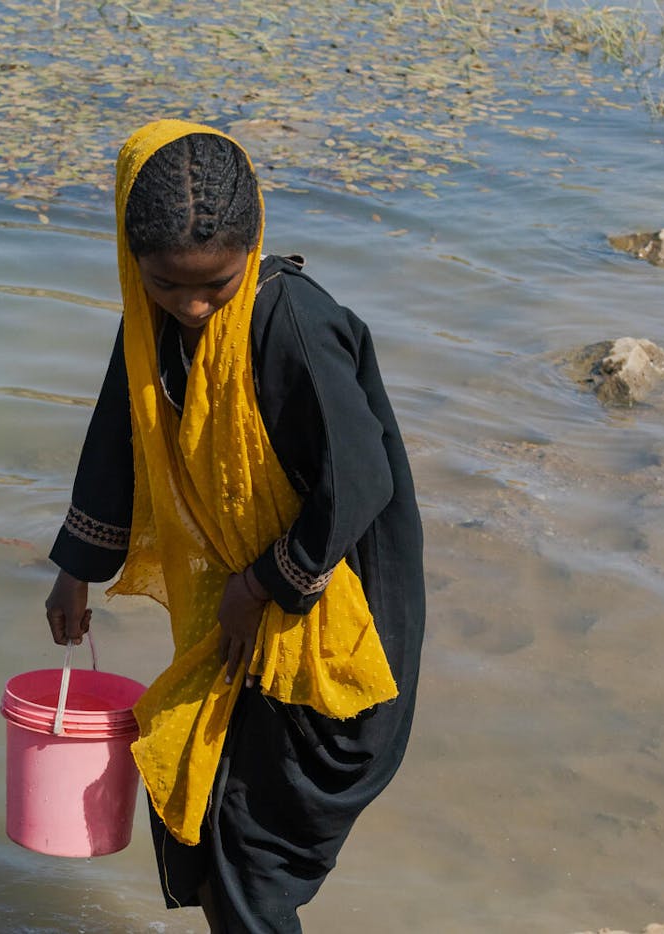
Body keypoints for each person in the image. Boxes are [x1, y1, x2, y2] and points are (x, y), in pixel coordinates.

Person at [44, 119, 425, 934]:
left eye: (214, 286)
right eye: (163, 285)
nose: (190, 306)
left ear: (251, 250)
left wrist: (261, 586)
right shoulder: (153, 326)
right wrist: (76, 565)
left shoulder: (292, 327)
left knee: (250, 857)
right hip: (241, 622)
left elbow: (361, 480)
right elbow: (122, 432)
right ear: (130, 261)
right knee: (210, 828)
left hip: (335, 630)